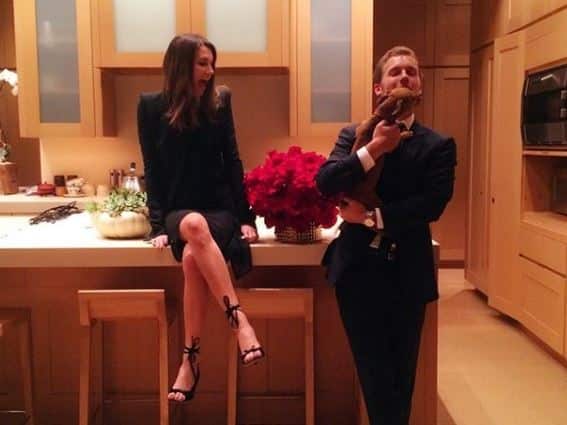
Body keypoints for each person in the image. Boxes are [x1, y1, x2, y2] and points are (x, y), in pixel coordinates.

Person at [315, 46, 457, 425]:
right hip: (357, 271)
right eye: (395, 72)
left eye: (411, 71)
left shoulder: (438, 145)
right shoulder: (354, 135)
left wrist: (370, 217)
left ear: (419, 87)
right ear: (379, 88)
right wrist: (375, 147)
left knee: (400, 376)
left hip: (407, 271)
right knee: (373, 374)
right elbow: (326, 181)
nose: (404, 76)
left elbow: (432, 204)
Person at [137, 33, 265, 403]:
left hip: (219, 209)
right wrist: (158, 225)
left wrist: (245, 217)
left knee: (194, 257)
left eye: (212, 64)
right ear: (181, 65)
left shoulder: (220, 102)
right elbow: (152, 169)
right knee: (194, 226)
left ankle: (189, 361)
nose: (209, 71)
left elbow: (233, 160)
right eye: (202, 64)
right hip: (180, 211)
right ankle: (239, 321)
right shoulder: (150, 107)